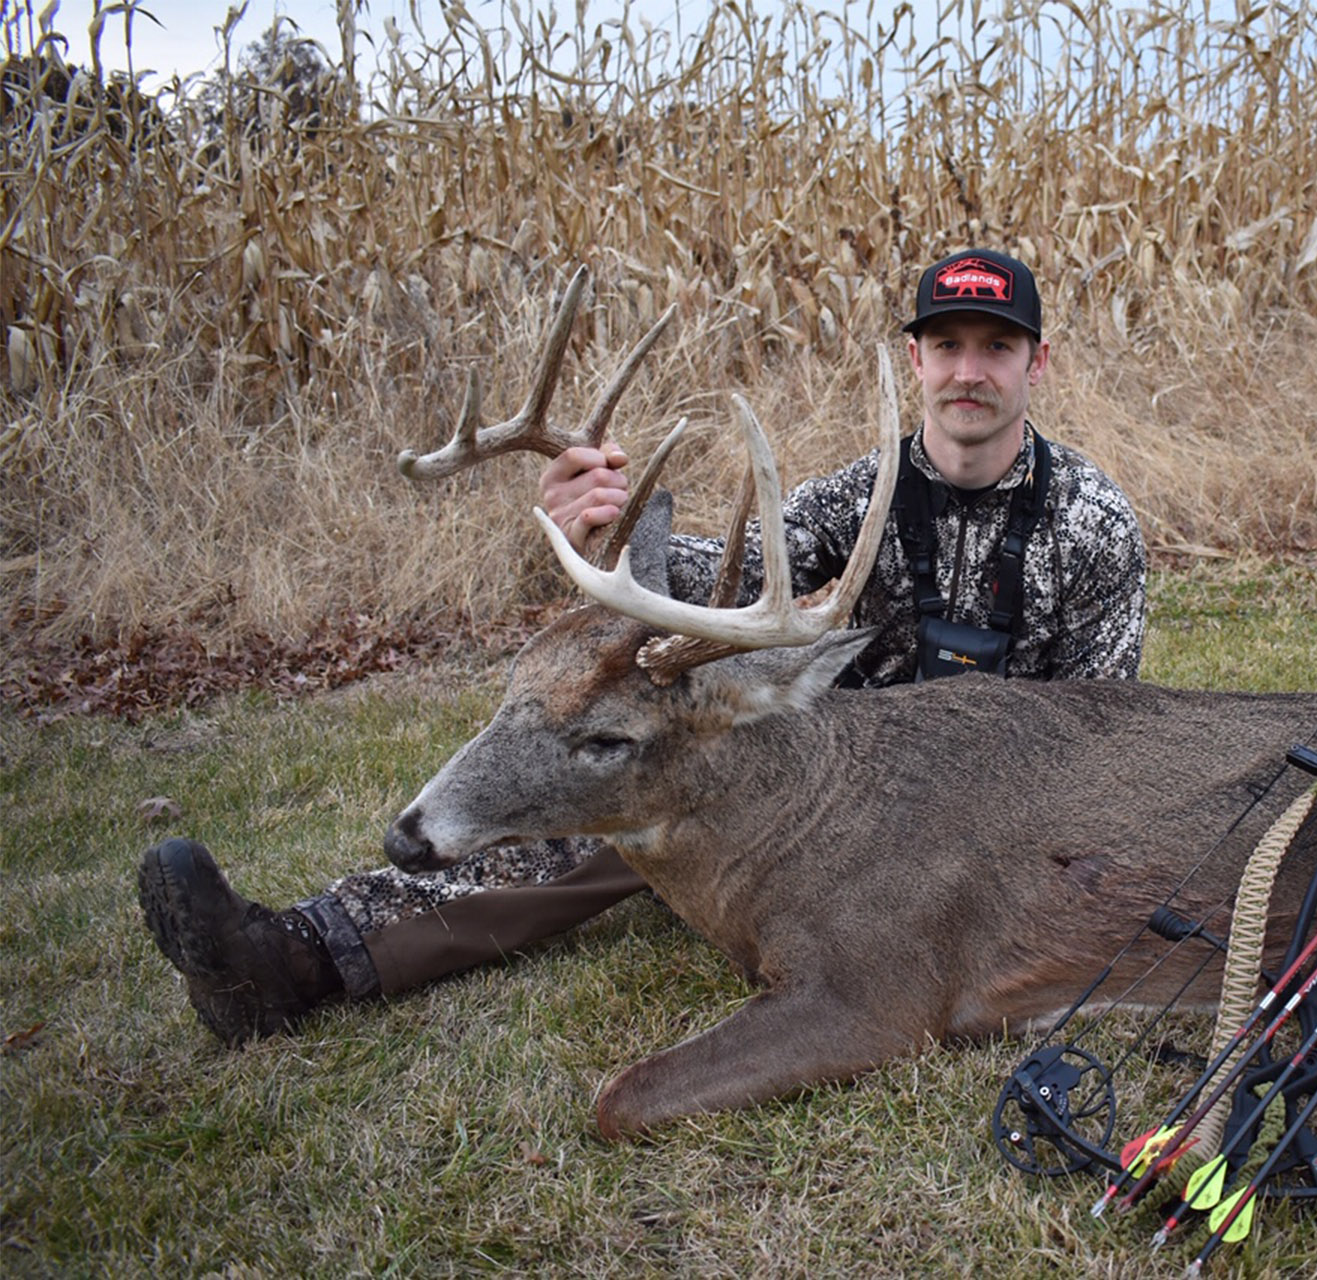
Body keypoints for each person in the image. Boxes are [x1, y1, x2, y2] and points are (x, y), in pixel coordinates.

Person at [138, 248, 1149, 1045]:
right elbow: (719, 588)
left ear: (1036, 363)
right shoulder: (851, 499)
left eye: (996, 347)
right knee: (636, 773)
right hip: (818, 778)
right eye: (947, 345)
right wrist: (601, 523)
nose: (968, 371)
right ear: (919, 357)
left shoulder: (1092, 524)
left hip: (978, 829)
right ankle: (301, 955)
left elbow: (1097, 734)